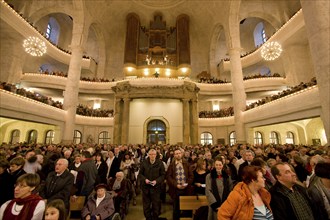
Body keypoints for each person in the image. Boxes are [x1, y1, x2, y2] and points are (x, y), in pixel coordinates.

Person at [166, 148, 194, 220]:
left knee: (187, 207)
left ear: (181, 154)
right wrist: (176, 185)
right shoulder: (171, 165)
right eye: (176, 154)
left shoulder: (186, 164)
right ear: (174, 155)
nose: (178, 155)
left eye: (179, 153)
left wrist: (186, 183)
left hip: (186, 188)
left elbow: (191, 176)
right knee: (176, 208)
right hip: (176, 189)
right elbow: (169, 177)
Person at [138, 149, 165, 220]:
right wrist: (145, 180)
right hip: (146, 188)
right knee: (146, 206)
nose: (152, 156)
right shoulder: (144, 163)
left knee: (156, 206)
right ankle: (148, 218)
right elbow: (140, 174)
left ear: (156, 155)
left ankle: (155, 218)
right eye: (151, 154)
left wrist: (156, 181)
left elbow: (163, 175)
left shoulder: (160, 163)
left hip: (156, 188)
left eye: (154, 154)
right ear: (148, 155)